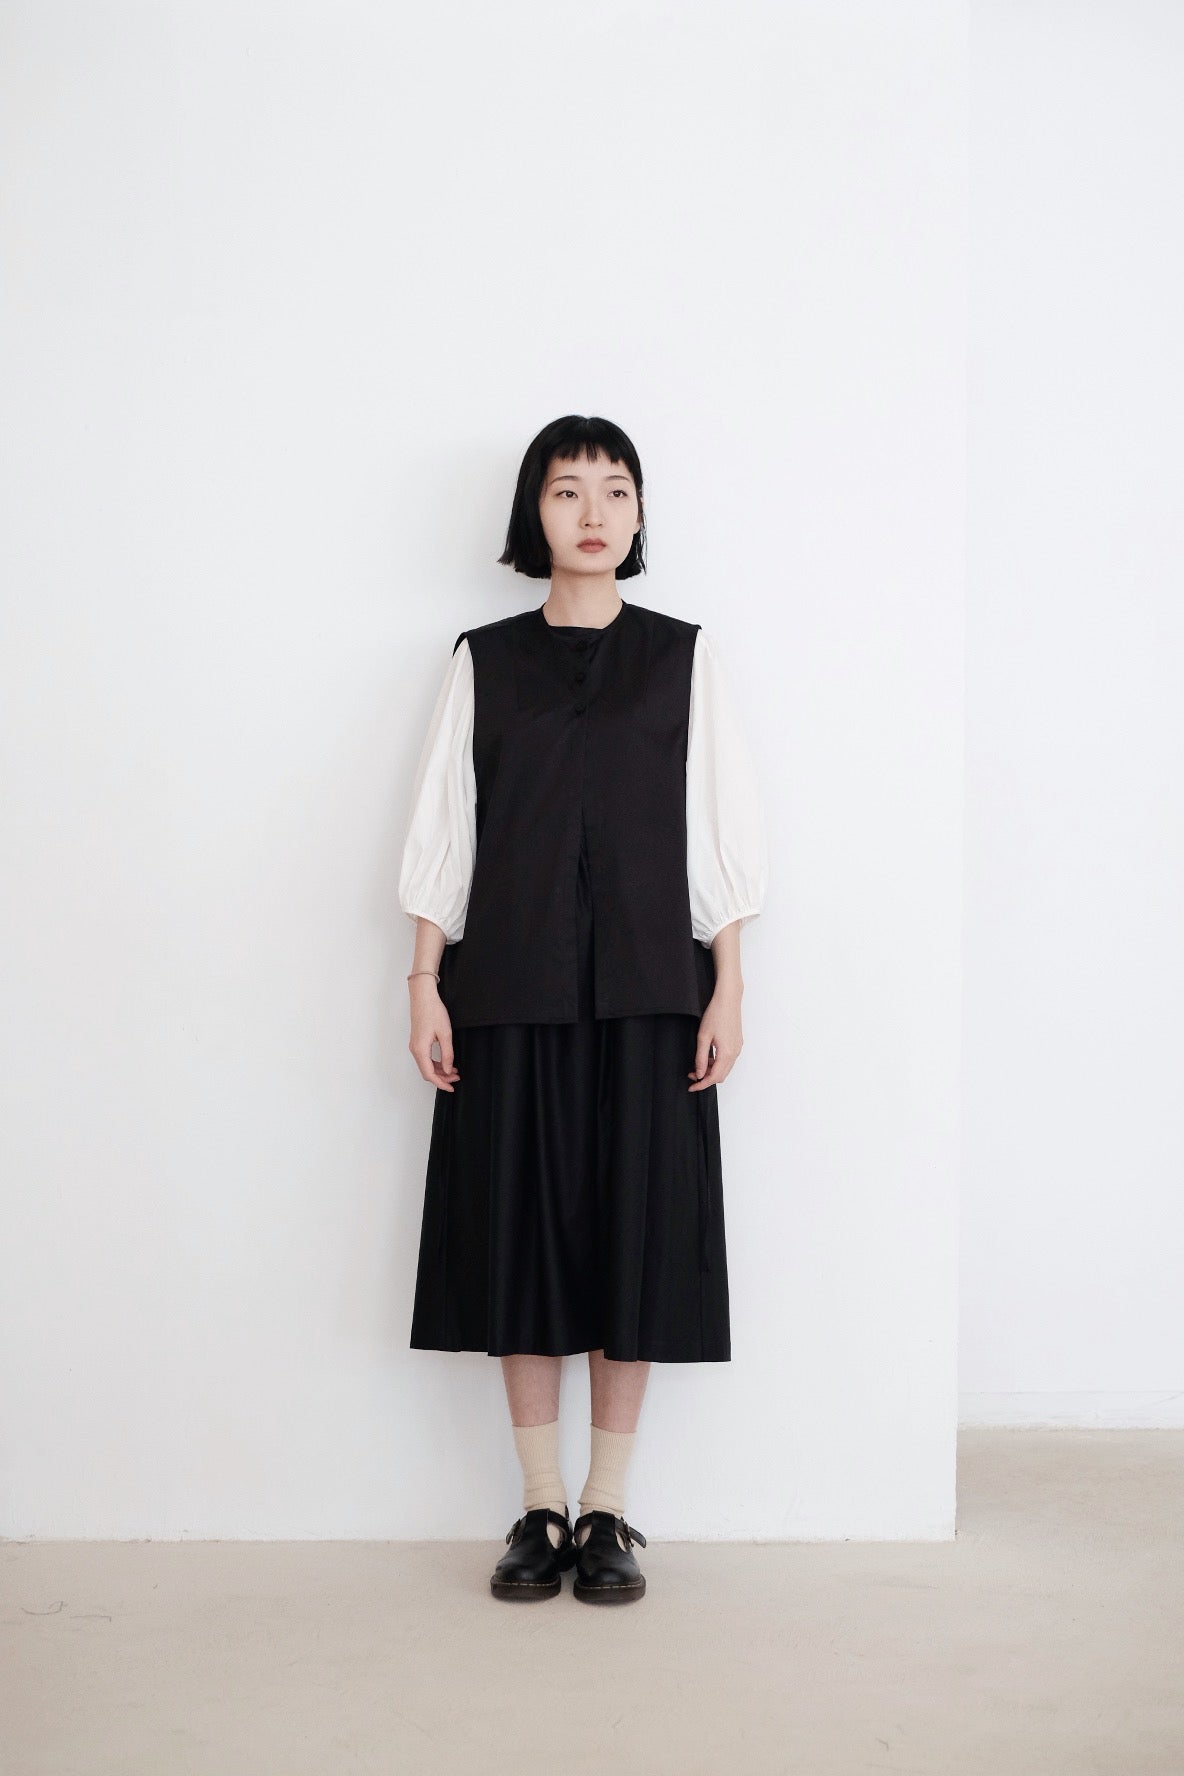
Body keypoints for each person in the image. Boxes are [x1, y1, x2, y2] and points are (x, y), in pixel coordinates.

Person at [398, 414, 768, 1604]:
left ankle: (606, 1509)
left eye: (614, 489)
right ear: (534, 513)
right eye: (567, 490)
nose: (593, 512)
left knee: (633, 1239)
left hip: (652, 993)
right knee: (519, 1240)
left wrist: (728, 982)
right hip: (505, 990)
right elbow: (445, 831)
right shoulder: (482, 662)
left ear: (639, 513)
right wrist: (422, 981)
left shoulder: (682, 659)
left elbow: (717, 829)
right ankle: (537, 1506)